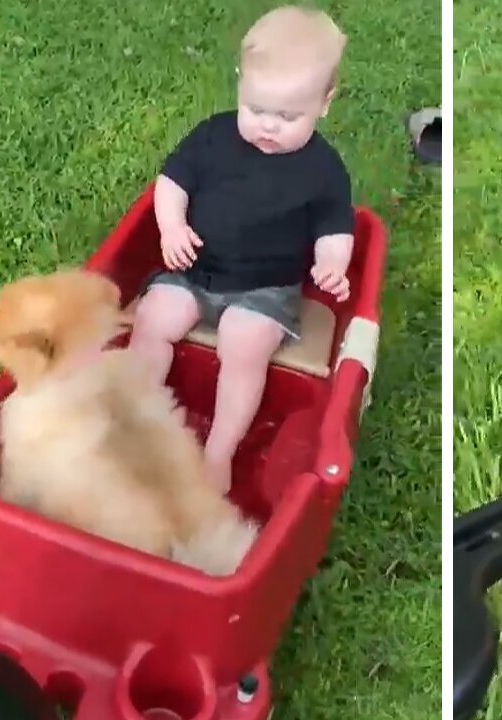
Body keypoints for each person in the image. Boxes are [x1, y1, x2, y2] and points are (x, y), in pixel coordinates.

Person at [128, 5, 354, 490]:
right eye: (256, 109)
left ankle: (219, 451)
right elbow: (171, 183)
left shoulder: (323, 169)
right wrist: (171, 229)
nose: (268, 125)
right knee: (153, 317)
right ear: (240, 86)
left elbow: (337, 227)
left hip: (263, 290)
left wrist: (332, 265)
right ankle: (137, 422)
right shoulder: (213, 137)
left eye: (288, 116)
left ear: (326, 101)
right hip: (195, 269)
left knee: (243, 341)